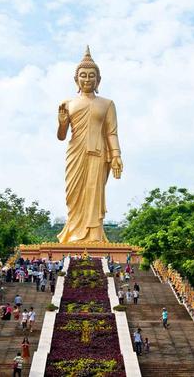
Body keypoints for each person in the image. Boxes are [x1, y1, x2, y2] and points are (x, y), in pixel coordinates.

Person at [56, 46, 123, 243]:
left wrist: (117, 155)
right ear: (76, 79)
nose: (87, 79)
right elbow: (61, 136)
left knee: (95, 192)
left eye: (91, 76)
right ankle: (73, 233)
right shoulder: (68, 104)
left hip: (98, 154)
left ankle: (94, 234)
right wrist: (62, 122)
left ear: (98, 80)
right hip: (75, 153)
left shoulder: (107, 104)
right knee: (74, 194)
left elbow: (111, 132)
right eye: (83, 75)